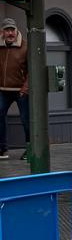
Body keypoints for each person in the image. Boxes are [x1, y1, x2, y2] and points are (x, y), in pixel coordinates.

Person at [0, 21, 29, 160]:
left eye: (12, 30)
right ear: (2, 32)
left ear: (16, 31)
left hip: (21, 90)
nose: (10, 33)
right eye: (7, 30)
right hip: (2, 90)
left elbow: (32, 70)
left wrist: (25, 88)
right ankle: (2, 149)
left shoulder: (25, 46)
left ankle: (30, 149)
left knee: (26, 119)